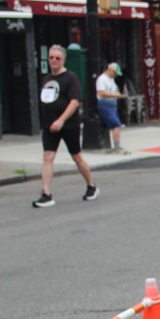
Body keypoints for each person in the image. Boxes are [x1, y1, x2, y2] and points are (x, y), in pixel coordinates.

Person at [32, 45, 99, 207]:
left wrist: (61, 120)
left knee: (76, 156)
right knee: (48, 156)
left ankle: (91, 186)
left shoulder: (70, 78)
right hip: (49, 126)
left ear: (63, 60)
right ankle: (46, 194)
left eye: (57, 58)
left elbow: (74, 102)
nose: (54, 61)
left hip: (68, 125)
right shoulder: (47, 78)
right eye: (51, 57)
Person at [95, 61, 129, 154]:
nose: (116, 75)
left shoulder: (111, 79)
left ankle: (117, 146)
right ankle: (117, 147)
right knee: (116, 125)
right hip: (105, 104)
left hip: (112, 104)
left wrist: (116, 94)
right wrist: (115, 95)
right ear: (110, 70)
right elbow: (101, 93)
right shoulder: (102, 79)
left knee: (116, 125)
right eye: (115, 73)